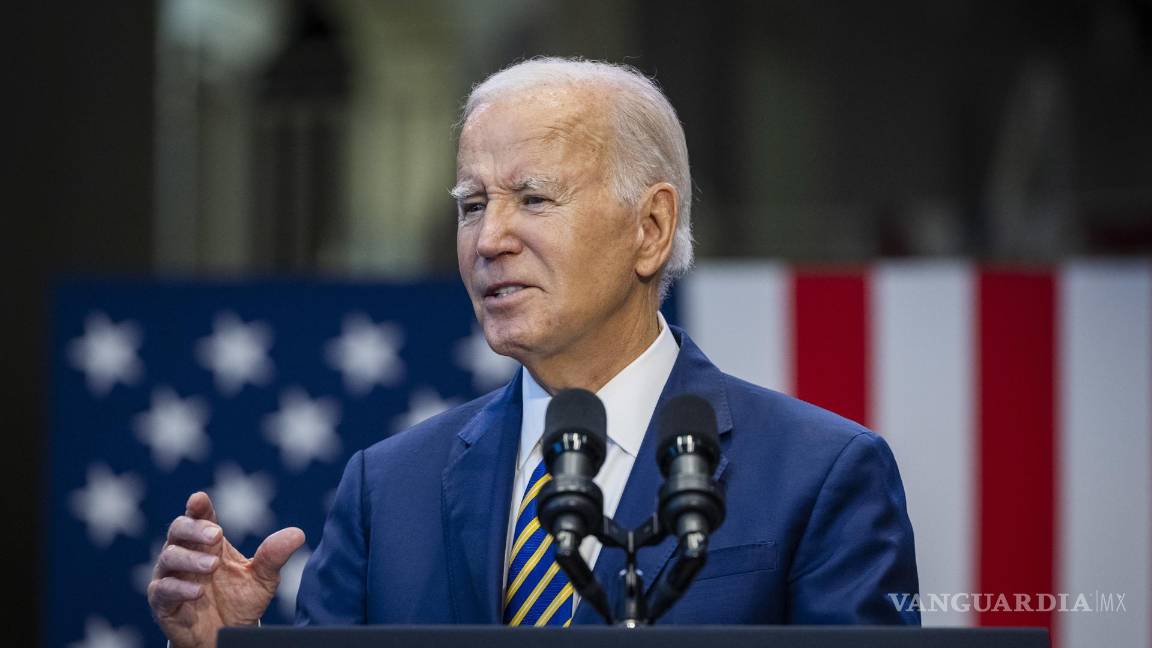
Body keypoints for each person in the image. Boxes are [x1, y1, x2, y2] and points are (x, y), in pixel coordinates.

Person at [147, 57, 919, 646]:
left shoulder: (821, 477)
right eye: (472, 205)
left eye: (534, 198)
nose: (490, 240)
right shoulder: (386, 490)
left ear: (649, 229)